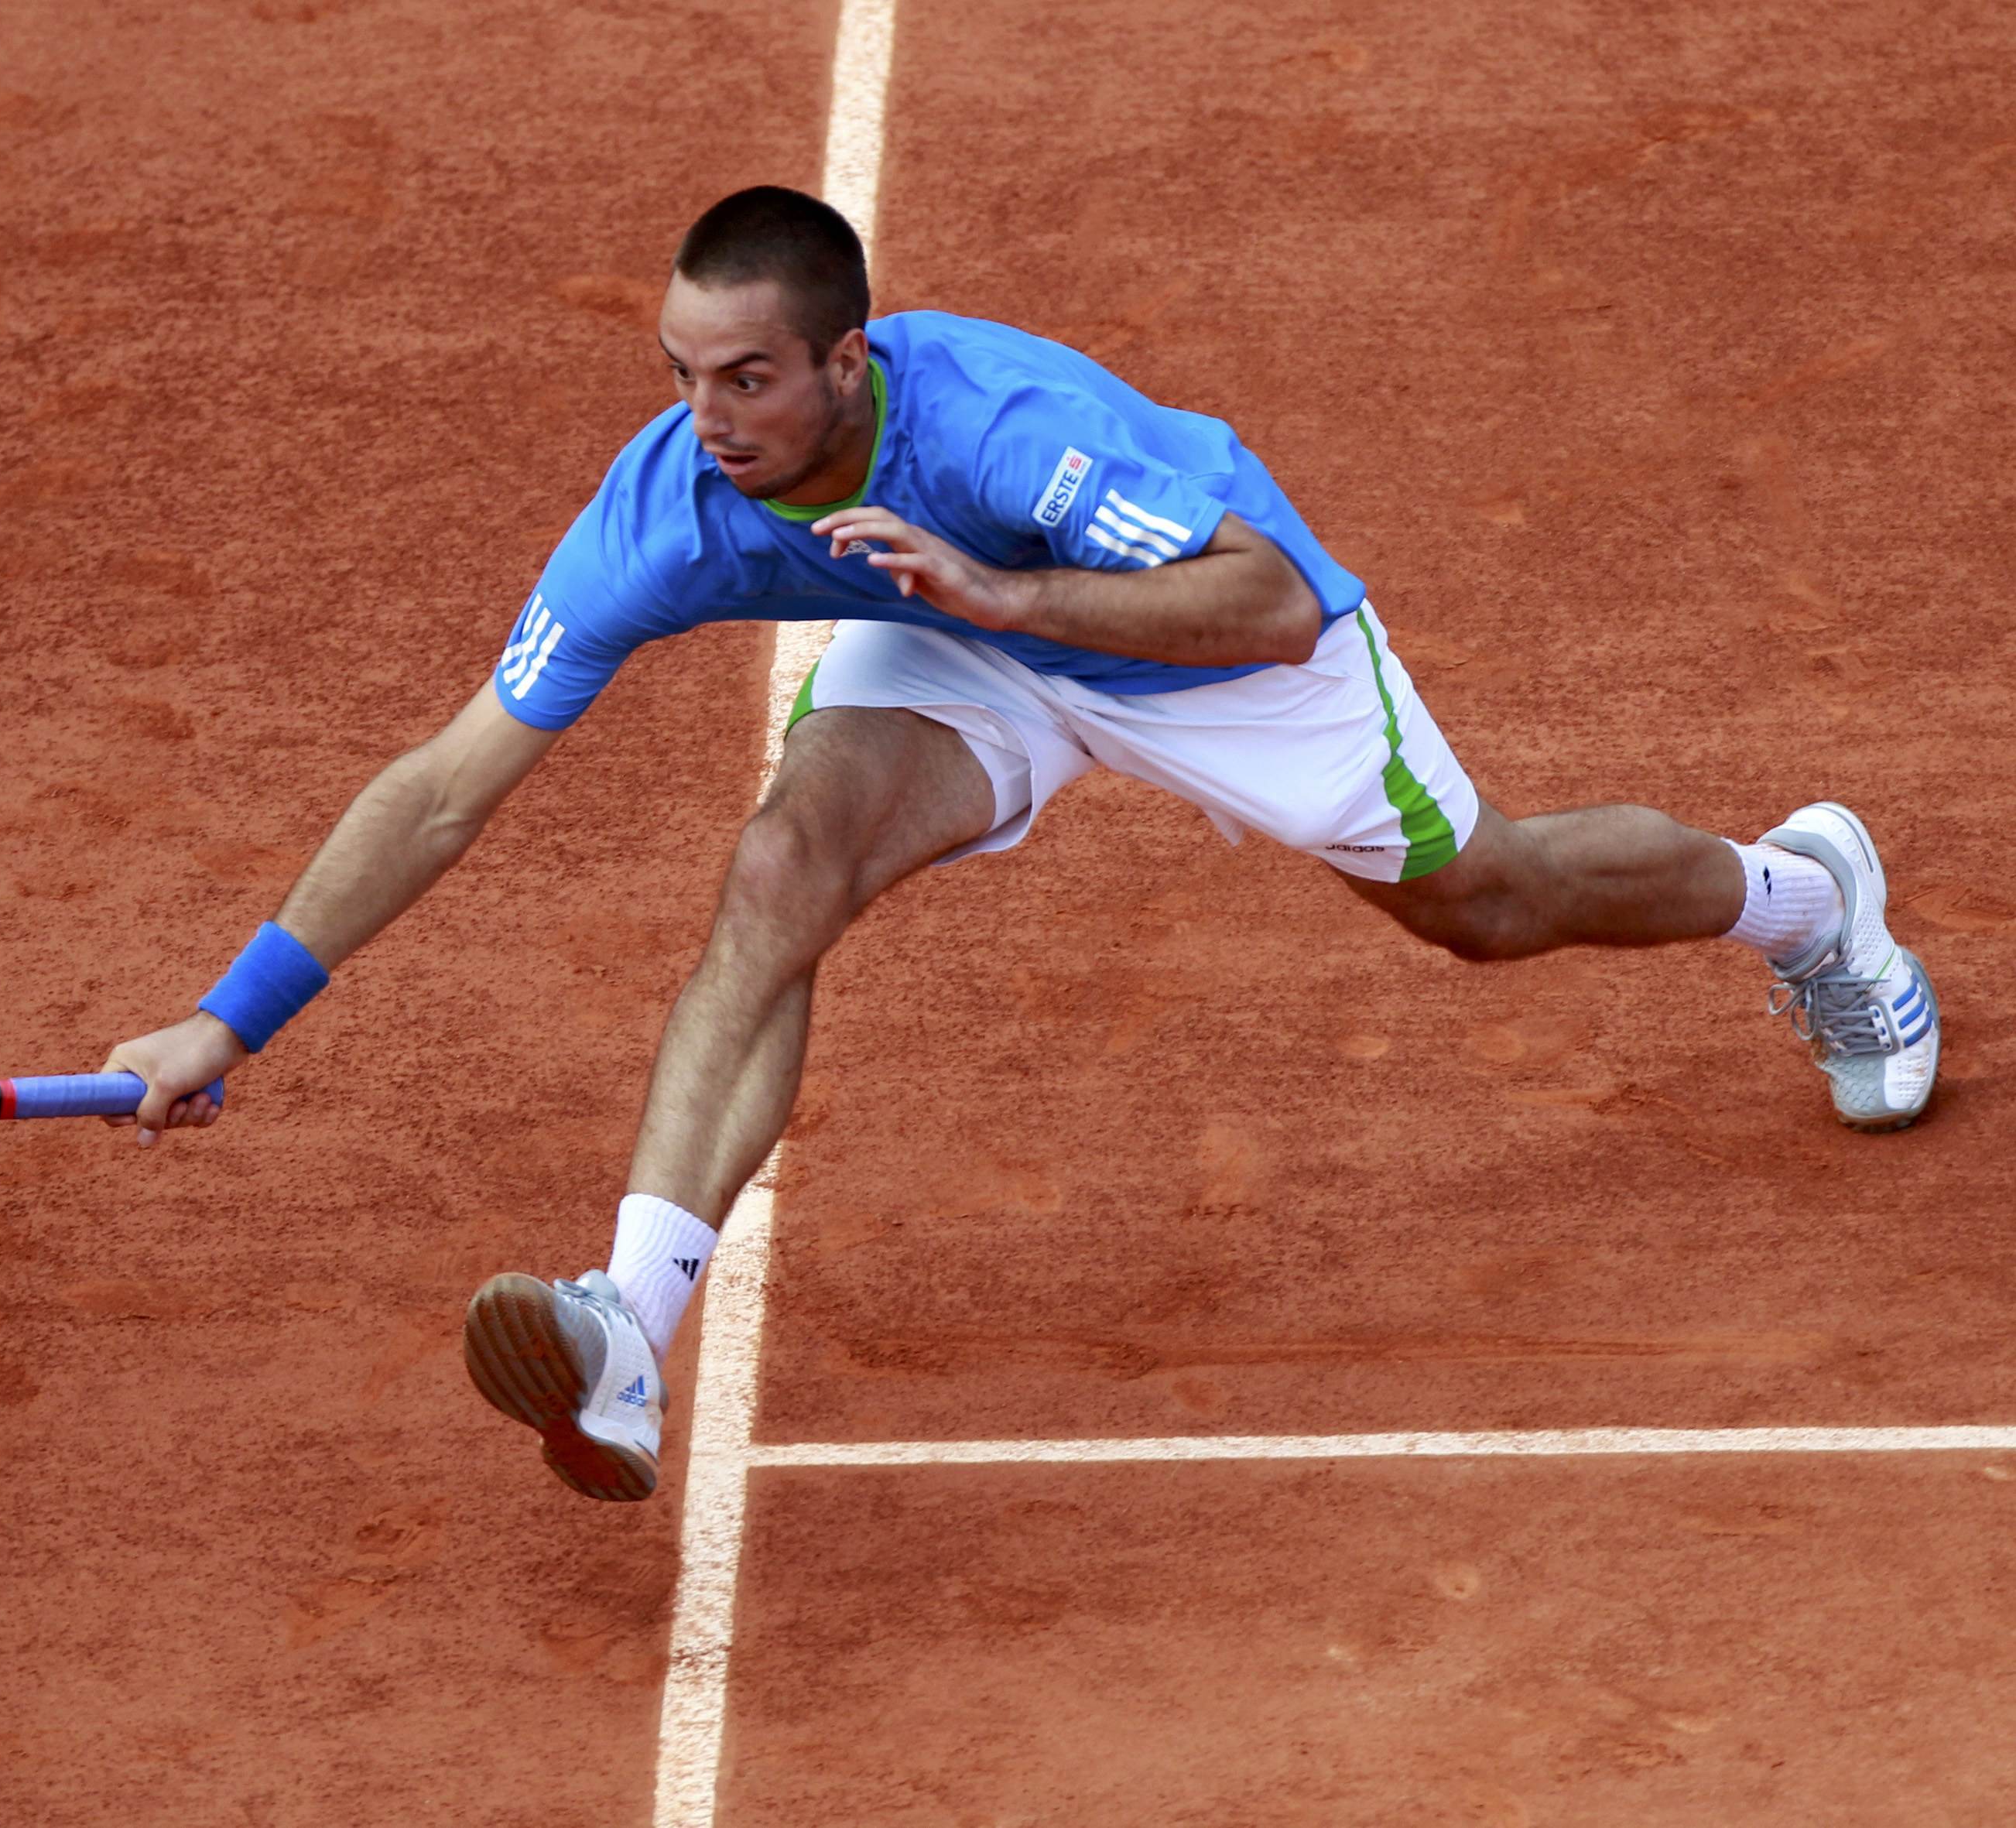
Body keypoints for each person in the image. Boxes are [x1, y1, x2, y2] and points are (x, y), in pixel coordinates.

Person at [101, 186, 1940, 1503]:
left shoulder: (1013, 432)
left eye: (746, 380)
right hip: (955, 636)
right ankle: (626, 1325)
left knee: (1487, 902)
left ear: (846, 357)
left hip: (1173, 626)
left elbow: (1272, 605)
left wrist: (999, 580)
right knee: (778, 869)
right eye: (681, 375)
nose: (705, 423)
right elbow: (443, 781)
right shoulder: (665, 515)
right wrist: (229, 1016)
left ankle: (1805, 898)